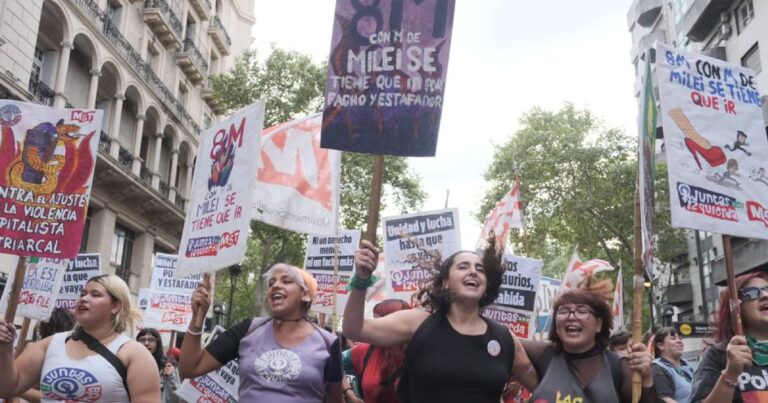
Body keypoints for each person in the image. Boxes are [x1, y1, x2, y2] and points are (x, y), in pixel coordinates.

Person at [344, 239, 536, 403]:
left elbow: (546, 388)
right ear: (445, 282)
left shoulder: (504, 338)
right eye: (463, 267)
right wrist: (361, 279)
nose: (473, 272)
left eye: (480, 269)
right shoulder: (418, 324)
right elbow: (355, 329)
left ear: (486, 285)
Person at [179, 264, 343, 402]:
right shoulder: (248, 330)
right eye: (271, 283)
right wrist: (197, 318)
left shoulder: (328, 343)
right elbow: (189, 369)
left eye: (286, 281)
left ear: (306, 294)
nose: (275, 286)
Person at [0, 274, 160, 402]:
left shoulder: (134, 354)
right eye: (82, 294)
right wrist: (5, 348)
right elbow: (7, 387)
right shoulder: (50, 344)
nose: (84, 298)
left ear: (116, 306)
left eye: (95, 295)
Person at [522, 288, 661, 403]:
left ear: (599, 324)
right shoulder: (543, 356)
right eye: (563, 311)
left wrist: (647, 380)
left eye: (582, 311)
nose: (571, 316)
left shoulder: (621, 368)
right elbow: (502, 339)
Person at [690, 271, 768, 403]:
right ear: (736, 307)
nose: (765, 295)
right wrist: (730, 375)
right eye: (752, 293)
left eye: (767, 290)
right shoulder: (719, 355)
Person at [343, 298, 410, 403]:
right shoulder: (364, 351)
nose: (375, 326)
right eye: (375, 320)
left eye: (379, 321)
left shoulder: (421, 352)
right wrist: (350, 394)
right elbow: (333, 362)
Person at [137, 328, 180, 403]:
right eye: (142, 340)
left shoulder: (167, 366)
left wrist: (171, 377)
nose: (146, 343)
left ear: (158, 343)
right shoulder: (129, 363)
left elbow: (176, 399)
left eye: (151, 340)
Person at [651, 327, 693, 403]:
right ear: (660, 345)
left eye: (680, 338)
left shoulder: (689, 365)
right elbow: (666, 400)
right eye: (673, 338)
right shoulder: (658, 368)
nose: (679, 341)